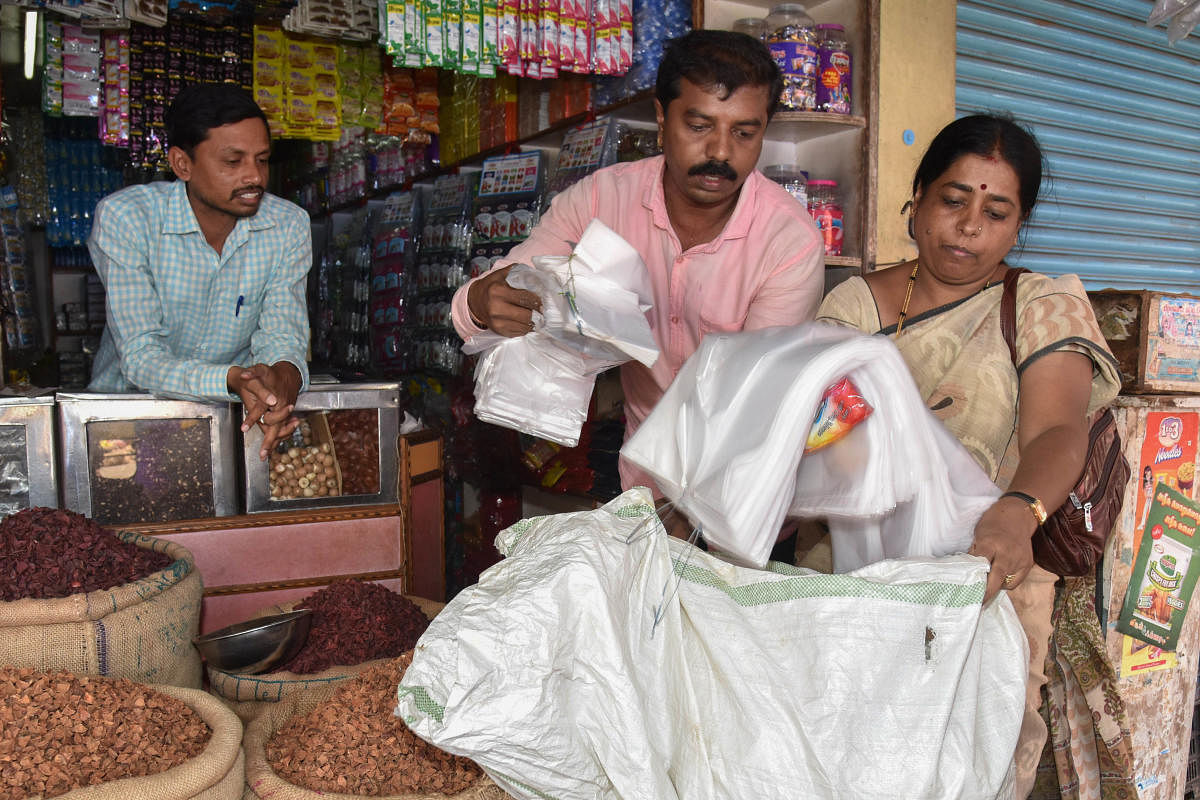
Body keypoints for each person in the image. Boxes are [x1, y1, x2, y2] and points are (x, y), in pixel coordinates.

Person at [815, 114, 1134, 798]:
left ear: (1018, 228)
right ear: (917, 202)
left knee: (973, 769)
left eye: (995, 211)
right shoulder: (855, 305)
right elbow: (817, 435)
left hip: (991, 580)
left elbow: (1058, 432)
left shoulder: (1042, 308)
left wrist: (1017, 512)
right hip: (852, 585)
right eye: (953, 200)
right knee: (843, 761)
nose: (968, 227)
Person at [450, 29, 825, 495]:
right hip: (644, 489)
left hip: (746, 495)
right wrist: (484, 301)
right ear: (662, 118)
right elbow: (510, 281)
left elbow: (756, 402)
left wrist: (691, 518)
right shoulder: (600, 200)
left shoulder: (790, 241)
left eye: (744, 133)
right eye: (699, 126)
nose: (721, 153)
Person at [88, 84, 311, 460]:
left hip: (228, 423)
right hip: (124, 423)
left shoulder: (288, 225)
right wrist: (233, 379)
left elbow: (283, 335)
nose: (254, 177)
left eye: (262, 159)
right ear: (182, 164)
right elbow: (141, 356)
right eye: (232, 161)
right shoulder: (127, 219)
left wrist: (278, 387)